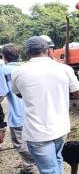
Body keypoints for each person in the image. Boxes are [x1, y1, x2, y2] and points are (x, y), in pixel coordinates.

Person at [12, 36, 79, 174]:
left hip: (37, 133)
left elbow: (19, 94)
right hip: (61, 129)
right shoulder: (64, 69)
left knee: (49, 169)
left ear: (27, 53)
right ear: (48, 51)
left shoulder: (18, 72)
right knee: (57, 159)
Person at [0, 44, 37, 174]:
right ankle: (29, 168)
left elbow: (1, 93)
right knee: (32, 141)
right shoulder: (26, 68)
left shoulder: (3, 70)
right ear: (18, 56)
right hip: (34, 113)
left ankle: (39, 161)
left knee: (19, 144)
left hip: (18, 116)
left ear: (4, 57)